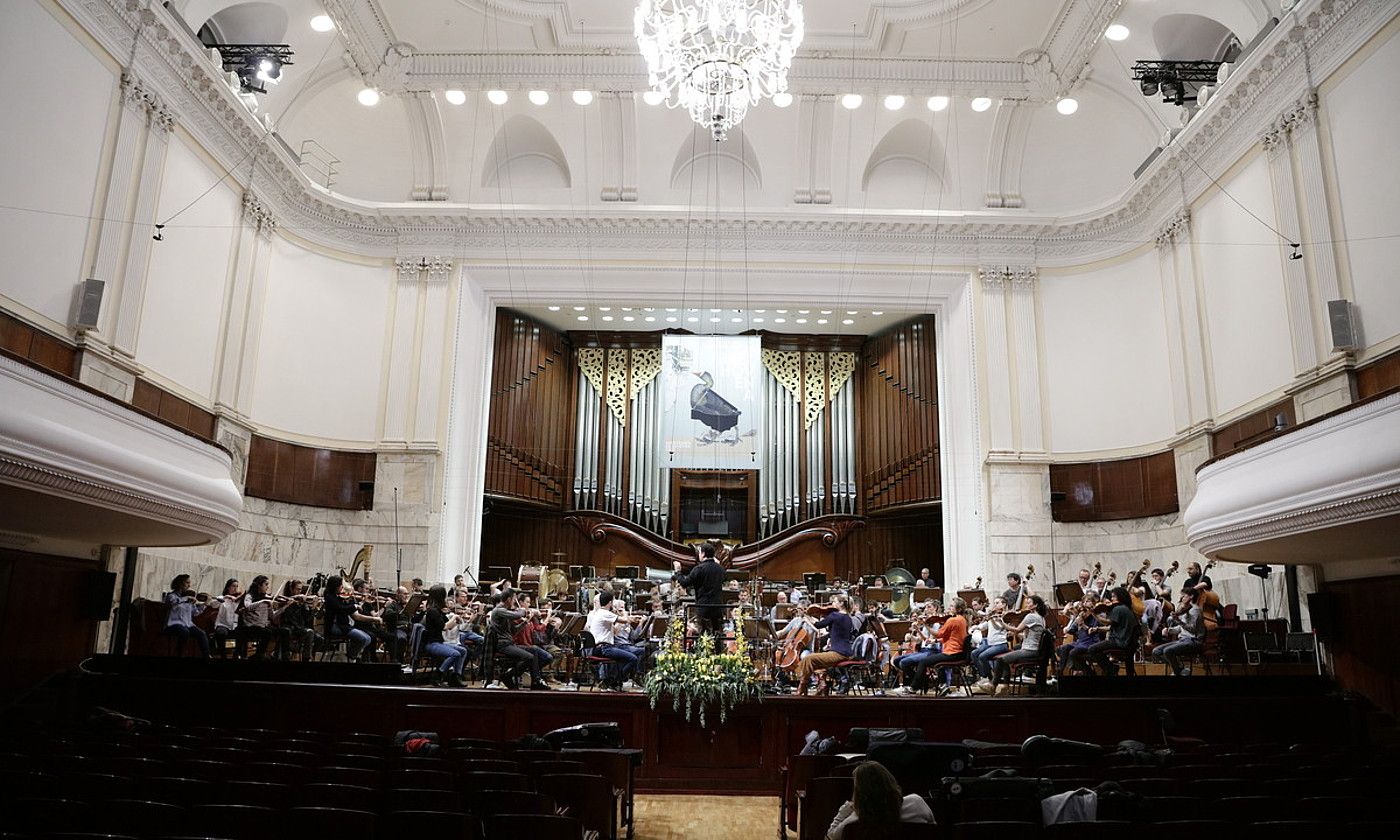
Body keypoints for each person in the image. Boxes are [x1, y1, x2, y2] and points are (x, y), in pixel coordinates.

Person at [826, 760, 935, 839]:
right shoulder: (916, 802)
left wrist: (845, 810)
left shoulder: (854, 821)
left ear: (859, 794)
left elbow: (829, 837)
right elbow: (936, 833)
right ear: (890, 781)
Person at [894, 598, 969, 695]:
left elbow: (938, 634)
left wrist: (926, 625)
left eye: (951, 606)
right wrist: (935, 639)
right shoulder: (962, 619)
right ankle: (937, 685)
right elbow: (949, 637)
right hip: (958, 652)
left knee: (923, 662)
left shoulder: (952, 620)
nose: (949, 608)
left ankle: (914, 687)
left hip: (951, 653)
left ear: (958, 609)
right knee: (909, 661)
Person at [792, 597, 856, 696]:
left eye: (834, 601)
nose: (832, 604)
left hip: (838, 653)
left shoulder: (835, 615)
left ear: (842, 603)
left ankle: (802, 686)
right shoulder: (848, 618)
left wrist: (806, 616)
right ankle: (822, 684)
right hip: (846, 652)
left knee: (808, 659)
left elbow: (818, 625)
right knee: (815, 663)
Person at [486, 591, 549, 690]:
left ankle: (536, 680)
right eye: (514, 599)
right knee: (529, 657)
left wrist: (526, 621)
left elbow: (514, 630)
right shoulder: (498, 611)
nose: (515, 602)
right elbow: (516, 615)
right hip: (503, 645)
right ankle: (507, 675)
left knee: (534, 649)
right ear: (509, 599)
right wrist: (524, 610)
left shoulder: (506, 611)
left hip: (510, 643)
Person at [991, 595, 1049, 696]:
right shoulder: (1041, 618)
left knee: (1001, 660)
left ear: (1035, 605)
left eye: (1029, 603)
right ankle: (1005, 687)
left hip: (1030, 650)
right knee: (1004, 659)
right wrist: (1015, 633)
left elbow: (1017, 629)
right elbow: (1027, 635)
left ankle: (993, 685)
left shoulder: (1031, 616)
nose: (1027, 604)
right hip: (1034, 649)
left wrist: (1002, 623)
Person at [586, 591, 639, 690]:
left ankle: (612, 681)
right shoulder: (605, 613)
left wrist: (630, 618)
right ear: (610, 603)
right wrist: (625, 614)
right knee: (633, 658)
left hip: (599, 648)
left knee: (623, 657)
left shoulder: (600, 613)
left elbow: (615, 631)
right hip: (604, 648)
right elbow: (624, 620)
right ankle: (613, 681)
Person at [674, 542, 726, 637]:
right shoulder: (720, 569)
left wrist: (678, 572)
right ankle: (718, 651)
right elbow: (724, 579)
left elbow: (685, 583)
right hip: (718, 608)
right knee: (717, 635)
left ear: (703, 553)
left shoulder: (699, 569)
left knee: (704, 636)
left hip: (704, 607)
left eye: (699, 552)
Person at [421, 585, 469, 686]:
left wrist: (457, 621)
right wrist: (455, 617)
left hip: (439, 642)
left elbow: (450, 626)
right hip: (432, 643)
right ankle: (438, 675)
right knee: (455, 654)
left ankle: (456, 677)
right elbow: (444, 627)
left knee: (463, 651)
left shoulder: (438, 610)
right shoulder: (432, 611)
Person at [1087, 587, 1140, 676]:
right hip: (1130, 644)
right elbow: (1112, 627)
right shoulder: (1128, 608)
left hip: (1120, 642)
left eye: (1114, 596)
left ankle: (1110, 669)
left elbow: (1108, 622)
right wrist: (1098, 629)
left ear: (1120, 597)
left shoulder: (1118, 609)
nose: (1111, 599)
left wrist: (1094, 614)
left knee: (1092, 649)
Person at [322, 575, 374, 661]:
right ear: (336, 586)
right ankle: (351, 657)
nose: (342, 587)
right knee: (363, 638)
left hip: (343, 625)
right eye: (341, 585)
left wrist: (357, 603)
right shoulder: (330, 598)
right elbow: (341, 609)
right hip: (335, 627)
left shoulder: (337, 597)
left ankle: (351, 655)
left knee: (368, 638)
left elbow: (345, 607)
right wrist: (354, 606)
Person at [162, 574, 211, 657]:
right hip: (173, 624)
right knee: (184, 631)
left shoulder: (189, 598)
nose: (189, 585)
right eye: (187, 582)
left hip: (188, 624)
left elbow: (195, 613)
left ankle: (207, 656)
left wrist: (205, 604)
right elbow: (173, 602)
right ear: (180, 583)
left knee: (202, 634)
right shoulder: (171, 596)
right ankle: (180, 654)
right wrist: (186, 598)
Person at [1153, 598, 1205, 676]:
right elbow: (1180, 629)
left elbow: (1192, 630)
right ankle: (1180, 668)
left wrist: (1179, 621)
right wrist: (1168, 630)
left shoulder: (1195, 610)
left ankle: (1177, 672)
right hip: (1182, 640)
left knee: (1167, 651)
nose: (1181, 599)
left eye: (1183, 596)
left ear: (1191, 596)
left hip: (1193, 640)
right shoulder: (1184, 613)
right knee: (1156, 651)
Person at [272, 579, 316, 661]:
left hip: (298, 628)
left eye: (301, 589)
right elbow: (282, 616)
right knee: (286, 631)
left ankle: (306, 658)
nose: (300, 592)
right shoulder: (285, 601)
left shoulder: (301, 603)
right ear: (291, 589)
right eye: (297, 589)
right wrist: (288, 605)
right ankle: (286, 656)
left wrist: (311, 609)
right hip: (287, 626)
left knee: (310, 632)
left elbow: (307, 619)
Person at [970, 597, 1010, 683]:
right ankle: (984, 675)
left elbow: (999, 627)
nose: (995, 605)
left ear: (1004, 604)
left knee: (982, 656)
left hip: (1001, 644)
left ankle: (990, 678)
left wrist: (991, 618)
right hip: (991, 643)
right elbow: (987, 625)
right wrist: (977, 627)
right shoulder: (994, 615)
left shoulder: (1006, 616)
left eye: (997, 603)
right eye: (994, 603)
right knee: (974, 653)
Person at [212, 578, 242, 657]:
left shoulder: (238, 600)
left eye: (237, 586)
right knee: (221, 633)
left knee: (243, 633)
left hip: (235, 626)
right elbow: (212, 604)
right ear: (228, 587)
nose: (235, 588)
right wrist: (225, 597)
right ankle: (223, 655)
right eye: (233, 586)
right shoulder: (222, 598)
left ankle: (236, 655)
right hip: (223, 625)